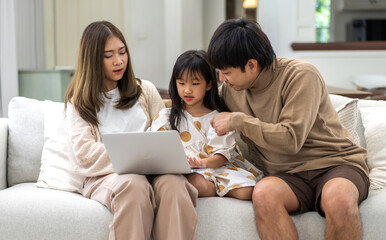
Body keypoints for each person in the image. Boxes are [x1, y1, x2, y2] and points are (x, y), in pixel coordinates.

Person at [207, 18, 369, 240]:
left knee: (338, 198)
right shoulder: (230, 90)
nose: (221, 79)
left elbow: (291, 139)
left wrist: (240, 121)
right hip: (287, 176)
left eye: (226, 72)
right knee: (264, 194)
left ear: (252, 65)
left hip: (334, 164)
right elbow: (193, 105)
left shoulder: (301, 75)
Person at [64, 21, 198, 240]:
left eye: (122, 52)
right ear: (93, 60)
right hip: (106, 177)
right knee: (133, 185)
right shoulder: (79, 101)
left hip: (154, 171)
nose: (118, 61)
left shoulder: (145, 90)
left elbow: (164, 129)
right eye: (108, 56)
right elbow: (83, 153)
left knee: (174, 185)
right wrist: (133, 158)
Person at [150, 50, 263, 199]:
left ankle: (214, 187)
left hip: (215, 167)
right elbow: (154, 146)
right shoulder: (166, 116)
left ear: (209, 84)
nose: (187, 90)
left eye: (195, 83)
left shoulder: (217, 118)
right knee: (197, 183)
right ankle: (209, 187)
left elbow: (221, 156)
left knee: (246, 191)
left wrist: (202, 163)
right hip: (186, 171)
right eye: (181, 83)